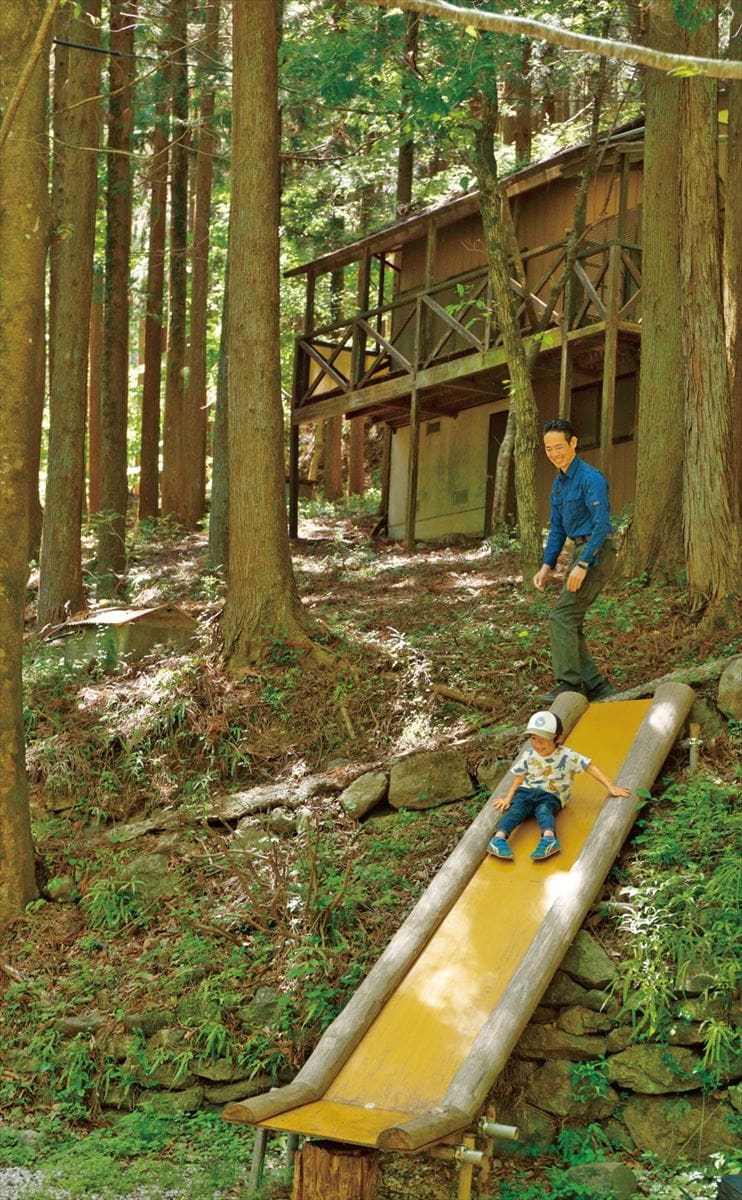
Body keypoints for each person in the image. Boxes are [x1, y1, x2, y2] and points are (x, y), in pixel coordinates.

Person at [533, 418, 617, 703]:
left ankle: (569, 684)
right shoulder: (558, 485)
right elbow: (557, 528)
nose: (554, 453)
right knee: (571, 621)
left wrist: (583, 565)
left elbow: (602, 524)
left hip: (596, 551)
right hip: (578, 551)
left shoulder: (590, 478)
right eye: (548, 448)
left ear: (573, 443)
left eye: (559, 447)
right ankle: (596, 686)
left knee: (562, 616)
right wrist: (547, 565)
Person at [487, 709, 630, 861]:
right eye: (534, 738)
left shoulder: (567, 756)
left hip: (551, 795)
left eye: (544, 739)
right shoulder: (529, 754)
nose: (538, 744)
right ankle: (498, 839)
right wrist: (508, 798)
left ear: (558, 738)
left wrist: (611, 787)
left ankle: (549, 839)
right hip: (526, 791)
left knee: (544, 811)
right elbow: (519, 776)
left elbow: (590, 767)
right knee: (516, 810)